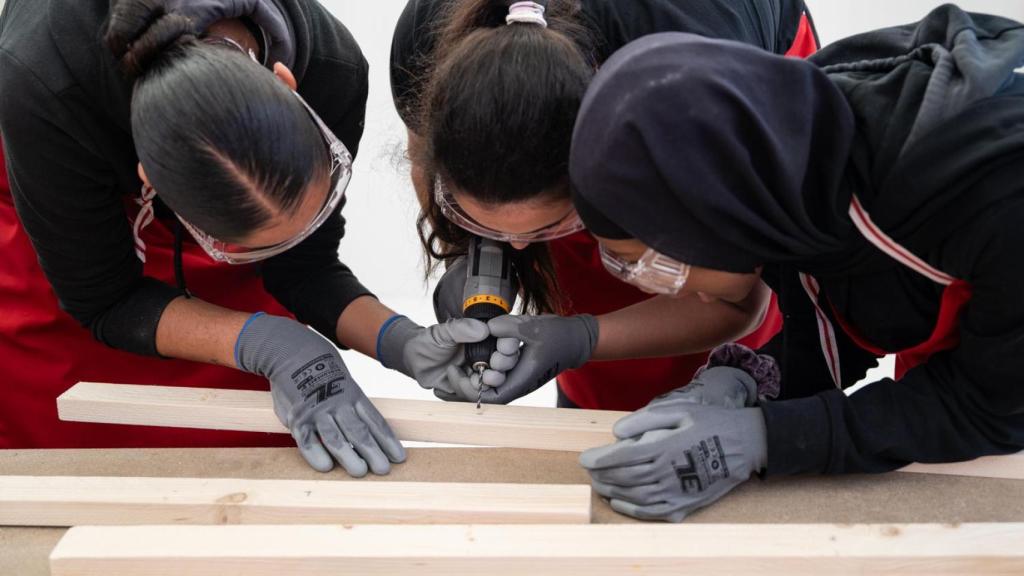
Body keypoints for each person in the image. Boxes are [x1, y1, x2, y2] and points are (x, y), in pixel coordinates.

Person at [566, 5, 1024, 521]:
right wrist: (747, 379)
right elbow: (846, 318)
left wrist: (770, 439)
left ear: (709, 215)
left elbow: (991, 408)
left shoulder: (992, 191)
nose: (664, 292)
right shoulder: (791, 164)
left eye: (652, 266)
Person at [0, 0, 489, 477]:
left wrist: (402, 342)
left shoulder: (331, 67)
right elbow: (104, 299)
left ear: (287, 82)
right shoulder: (41, 82)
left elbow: (302, 268)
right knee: (69, 444)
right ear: (149, 180)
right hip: (56, 199)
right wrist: (271, 344)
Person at [390, 0, 819, 410]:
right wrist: (468, 252)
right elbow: (426, 158)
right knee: (596, 352)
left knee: (722, 358)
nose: (519, 248)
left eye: (544, 229)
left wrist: (583, 338)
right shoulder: (428, 45)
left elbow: (739, 297)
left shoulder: (692, 94)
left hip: (726, 73)